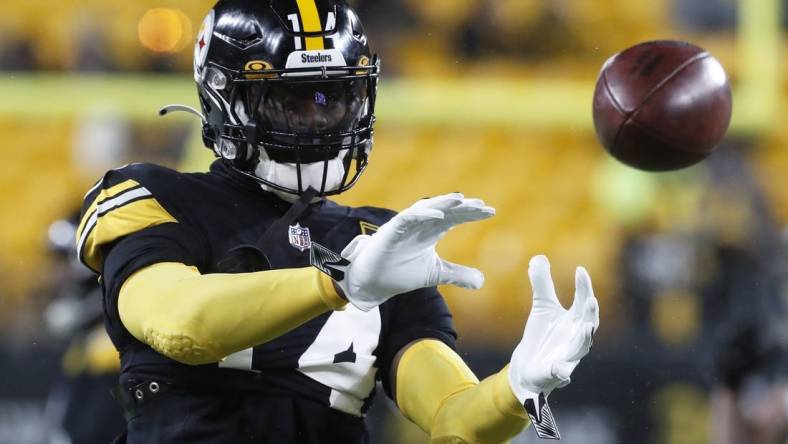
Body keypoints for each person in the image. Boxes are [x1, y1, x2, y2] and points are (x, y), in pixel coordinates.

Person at [77, 1, 599, 442]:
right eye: (291, 99)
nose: (319, 118)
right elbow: (182, 326)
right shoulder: (158, 197)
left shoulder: (379, 241)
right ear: (225, 97)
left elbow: (451, 418)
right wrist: (336, 283)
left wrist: (516, 389)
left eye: (336, 97)